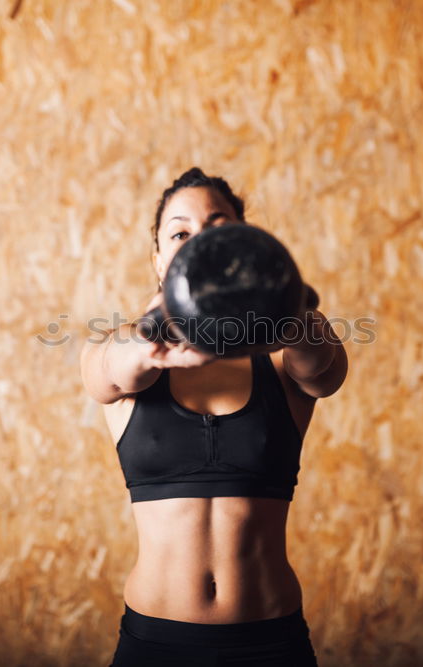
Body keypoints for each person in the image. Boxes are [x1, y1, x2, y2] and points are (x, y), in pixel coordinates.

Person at [80, 167, 348, 666]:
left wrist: (289, 310)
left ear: (243, 246)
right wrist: (150, 342)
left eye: (218, 229)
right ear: (159, 260)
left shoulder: (284, 352)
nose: (200, 243)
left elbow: (325, 373)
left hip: (271, 644)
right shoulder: (125, 349)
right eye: (180, 232)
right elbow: (108, 374)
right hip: (154, 647)